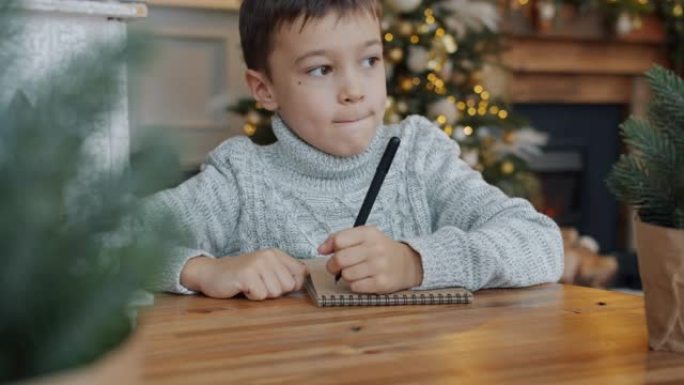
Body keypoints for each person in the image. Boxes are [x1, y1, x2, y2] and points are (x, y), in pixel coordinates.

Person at [145, 0, 564, 301]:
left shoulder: (418, 155)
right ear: (264, 89)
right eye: (321, 69)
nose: (354, 91)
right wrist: (203, 270)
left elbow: (542, 244)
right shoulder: (241, 179)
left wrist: (416, 264)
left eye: (369, 61)